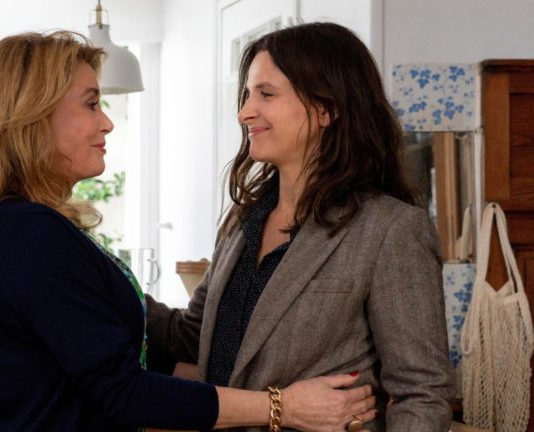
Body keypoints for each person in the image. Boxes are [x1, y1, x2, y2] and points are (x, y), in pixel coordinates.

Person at [0, 31, 377, 431]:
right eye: (91, 104)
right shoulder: (28, 234)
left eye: (267, 94)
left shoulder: (23, 227)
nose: (107, 122)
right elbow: (125, 391)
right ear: (33, 117)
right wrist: (284, 407)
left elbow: (128, 356)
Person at [146, 22, 456, 432]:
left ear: (326, 109)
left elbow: (423, 393)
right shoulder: (241, 222)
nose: (245, 112)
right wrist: (100, 280)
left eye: (266, 94)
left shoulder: (390, 229)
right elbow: (193, 337)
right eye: (247, 95)